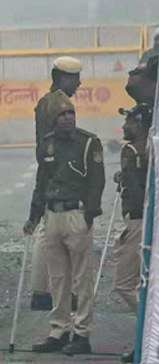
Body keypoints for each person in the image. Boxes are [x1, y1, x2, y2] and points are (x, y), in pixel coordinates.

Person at [25, 97, 104, 355]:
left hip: (76, 215)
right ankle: (59, 330)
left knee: (82, 278)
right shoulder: (46, 144)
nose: (69, 117)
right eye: (62, 114)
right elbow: (41, 183)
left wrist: (89, 215)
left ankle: (82, 333)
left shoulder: (88, 142)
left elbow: (96, 182)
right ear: (53, 119)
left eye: (71, 113)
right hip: (52, 216)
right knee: (58, 279)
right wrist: (34, 216)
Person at [29, 56, 83, 311]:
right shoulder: (62, 103)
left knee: (45, 228)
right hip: (59, 169)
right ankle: (46, 292)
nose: (79, 83)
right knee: (55, 231)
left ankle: (41, 290)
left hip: (48, 166)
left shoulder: (44, 101)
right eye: (75, 78)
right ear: (62, 78)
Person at [113, 103, 151, 364]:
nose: (124, 126)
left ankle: (149, 334)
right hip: (150, 220)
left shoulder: (130, 151)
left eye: (129, 122)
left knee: (125, 283)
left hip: (138, 221)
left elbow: (137, 193)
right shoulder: (150, 148)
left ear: (140, 125)